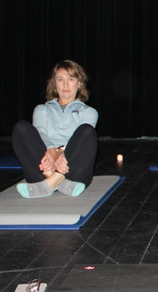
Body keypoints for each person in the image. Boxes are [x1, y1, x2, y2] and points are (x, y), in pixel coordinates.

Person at [12, 59, 98, 198]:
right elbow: (40, 132)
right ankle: (58, 181)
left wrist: (61, 152)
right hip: (43, 167)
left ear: (79, 83)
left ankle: (48, 184)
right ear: (54, 83)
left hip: (74, 172)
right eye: (60, 79)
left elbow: (81, 142)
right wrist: (51, 150)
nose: (65, 84)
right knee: (21, 127)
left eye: (71, 79)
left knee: (87, 130)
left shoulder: (89, 112)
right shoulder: (42, 109)